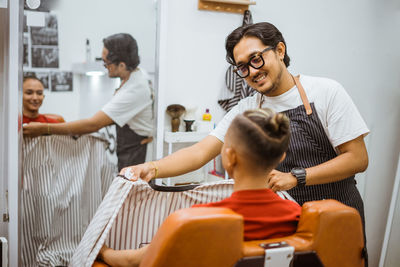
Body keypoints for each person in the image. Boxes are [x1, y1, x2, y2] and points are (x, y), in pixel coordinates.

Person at [122, 22, 369, 229]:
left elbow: (357, 159)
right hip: (284, 220)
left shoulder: (326, 92)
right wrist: (152, 168)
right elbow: (200, 152)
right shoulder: (247, 109)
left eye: (256, 59)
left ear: (280, 50)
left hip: (337, 217)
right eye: (243, 66)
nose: (252, 71)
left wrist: (296, 177)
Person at [97, 108, 301, 267]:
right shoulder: (298, 215)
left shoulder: (196, 221)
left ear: (228, 158)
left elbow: (137, 261)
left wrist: (104, 252)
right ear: (281, 157)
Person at [23, 33, 154, 170]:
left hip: (135, 153)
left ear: (121, 65)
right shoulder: (140, 75)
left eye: (106, 63)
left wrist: (45, 128)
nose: (104, 66)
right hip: (130, 147)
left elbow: (93, 124)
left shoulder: (133, 90)